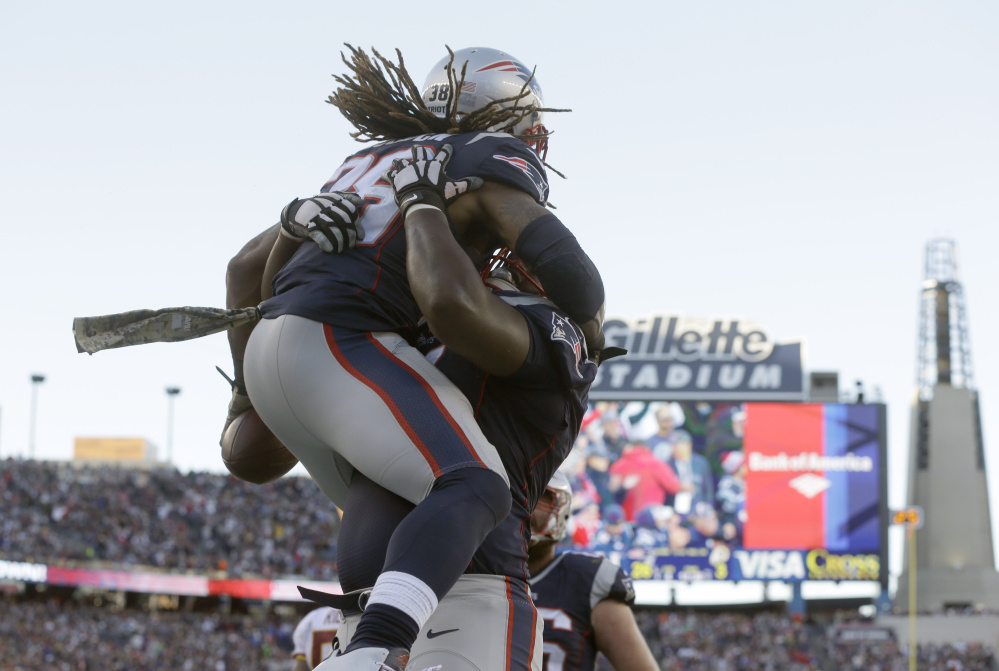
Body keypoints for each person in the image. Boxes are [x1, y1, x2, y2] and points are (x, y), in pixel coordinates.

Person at [226, 46, 606, 669]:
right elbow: (569, 284)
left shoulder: (370, 164)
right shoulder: (473, 199)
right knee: (473, 483)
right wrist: (425, 211)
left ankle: (372, 643)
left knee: (433, 485)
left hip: (282, 350)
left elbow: (248, 442)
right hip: (427, 582)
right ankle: (375, 647)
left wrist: (296, 242)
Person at [317, 143, 599, 669]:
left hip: (468, 587)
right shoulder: (396, 326)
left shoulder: (548, 331)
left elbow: (456, 307)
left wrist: (422, 205)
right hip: (376, 604)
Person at [528, 472, 660, 671]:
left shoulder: (586, 579)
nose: (528, 508)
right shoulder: (468, 570)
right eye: (519, 497)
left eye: (540, 499)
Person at [607, 442, 680, 521]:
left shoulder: (619, 465)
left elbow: (610, 491)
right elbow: (674, 487)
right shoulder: (656, 463)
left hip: (624, 518)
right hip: (651, 516)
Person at [664, 430, 714, 514]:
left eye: (676, 445)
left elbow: (708, 490)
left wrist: (708, 509)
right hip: (676, 511)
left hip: (698, 510)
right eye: (671, 445)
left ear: (688, 445)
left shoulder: (700, 463)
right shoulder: (667, 464)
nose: (673, 448)